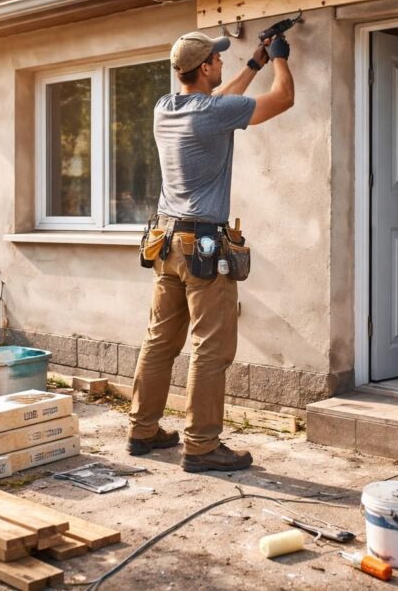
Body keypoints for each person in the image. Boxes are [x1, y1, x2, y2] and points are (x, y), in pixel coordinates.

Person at [127, 30, 295, 472]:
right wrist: (279, 59)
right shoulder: (216, 112)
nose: (221, 64)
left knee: (160, 340)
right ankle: (201, 445)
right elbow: (282, 99)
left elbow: (219, 102)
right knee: (211, 348)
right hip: (202, 249)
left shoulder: (166, 108)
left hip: (165, 245)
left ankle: (142, 430)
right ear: (204, 68)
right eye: (217, 61)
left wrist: (251, 65)